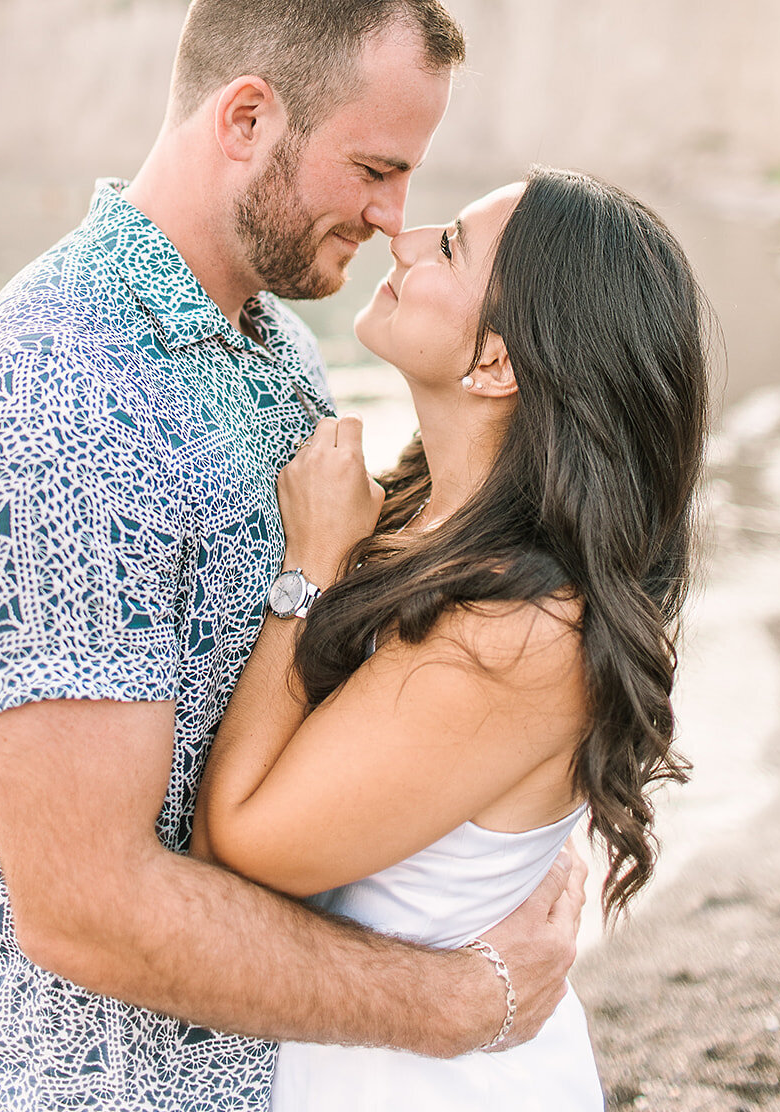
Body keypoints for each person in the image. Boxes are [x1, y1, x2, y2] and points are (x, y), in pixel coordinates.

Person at [0, 0, 586, 1112]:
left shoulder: (272, 354)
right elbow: (84, 908)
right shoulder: (58, 399)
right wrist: (462, 1000)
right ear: (245, 120)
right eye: (374, 169)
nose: (391, 218)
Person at [192, 169, 710, 1110]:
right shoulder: (434, 527)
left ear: (494, 365)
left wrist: (307, 571)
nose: (404, 235)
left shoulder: (517, 631)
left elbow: (241, 845)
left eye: (449, 247)